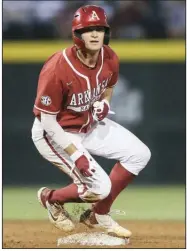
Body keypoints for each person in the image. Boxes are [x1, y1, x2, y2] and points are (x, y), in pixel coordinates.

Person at [31, 5, 151, 238]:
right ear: (77, 34)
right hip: (55, 132)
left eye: (99, 28)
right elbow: (47, 121)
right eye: (88, 29)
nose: (95, 34)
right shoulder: (58, 67)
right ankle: (50, 198)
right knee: (99, 187)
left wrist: (105, 103)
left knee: (139, 154)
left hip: (87, 124)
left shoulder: (109, 56)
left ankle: (97, 215)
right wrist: (76, 154)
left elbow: (109, 86)